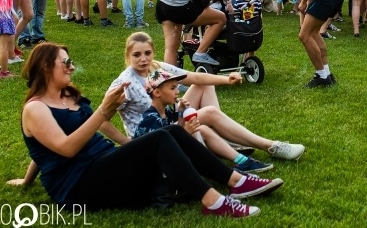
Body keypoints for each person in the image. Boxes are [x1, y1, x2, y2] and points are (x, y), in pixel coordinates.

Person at [16, 43, 267, 217]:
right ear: (47, 67)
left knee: (173, 132)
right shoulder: (35, 109)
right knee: (159, 137)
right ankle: (213, 201)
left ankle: (236, 180)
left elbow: (41, 150)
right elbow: (65, 148)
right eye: (66, 62)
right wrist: (104, 111)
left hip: (103, 164)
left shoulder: (68, 96)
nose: (71, 67)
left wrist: (27, 179)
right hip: (78, 185)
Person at [111, 31, 305, 161]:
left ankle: (223, 140)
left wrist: (226, 79)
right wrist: (125, 143)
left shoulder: (156, 67)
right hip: (150, 137)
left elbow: (193, 76)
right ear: (128, 56)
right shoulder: (124, 82)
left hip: (168, 122)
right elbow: (102, 117)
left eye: (148, 53)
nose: (143, 59)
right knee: (210, 113)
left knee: (205, 85)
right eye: (137, 55)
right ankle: (271, 146)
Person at [134, 67, 275, 174]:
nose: (177, 92)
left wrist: (182, 115)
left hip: (169, 160)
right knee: (200, 129)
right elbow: (161, 148)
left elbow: (176, 130)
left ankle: (241, 161)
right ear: (157, 93)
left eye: (177, 87)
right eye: (172, 88)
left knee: (201, 129)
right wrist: (186, 132)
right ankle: (237, 163)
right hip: (156, 169)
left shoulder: (167, 112)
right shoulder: (150, 119)